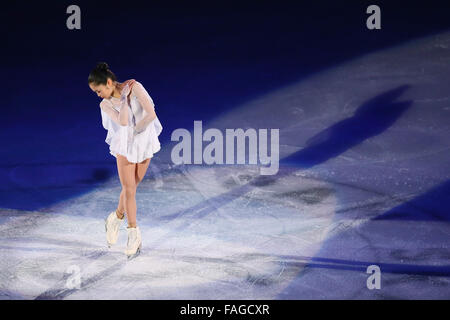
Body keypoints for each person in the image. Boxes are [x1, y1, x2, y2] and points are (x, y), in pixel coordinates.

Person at [88, 62, 163, 259]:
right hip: (125, 146)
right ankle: (133, 233)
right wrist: (122, 99)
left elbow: (151, 113)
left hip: (144, 140)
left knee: (133, 187)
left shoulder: (135, 87)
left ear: (109, 82)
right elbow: (122, 122)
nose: (97, 94)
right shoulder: (105, 104)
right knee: (129, 190)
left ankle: (116, 217)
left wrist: (138, 132)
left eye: (98, 90)